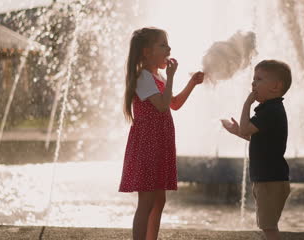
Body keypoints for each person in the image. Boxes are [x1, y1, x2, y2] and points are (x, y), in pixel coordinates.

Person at [119, 27, 204, 240]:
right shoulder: (143, 76)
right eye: (163, 45)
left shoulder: (157, 77)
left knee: (159, 201)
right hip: (148, 144)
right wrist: (172, 76)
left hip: (160, 143)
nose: (169, 48)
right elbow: (162, 105)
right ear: (147, 52)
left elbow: (174, 103)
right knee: (146, 202)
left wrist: (192, 83)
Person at [221, 59, 292, 240]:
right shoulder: (270, 109)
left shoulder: (270, 111)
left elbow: (247, 129)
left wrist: (247, 104)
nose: (253, 83)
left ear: (276, 86)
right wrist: (236, 130)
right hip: (269, 178)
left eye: (259, 79)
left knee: (269, 227)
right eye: (254, 79)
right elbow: (253, 135)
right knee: (267, 224)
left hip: (270, 180)